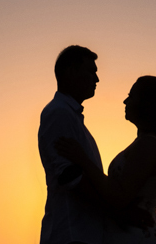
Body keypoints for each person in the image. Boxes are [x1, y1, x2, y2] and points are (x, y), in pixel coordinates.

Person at [57, 75, 156, 243]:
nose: (125, 101)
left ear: (145, 104)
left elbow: (119, 196)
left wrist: (83, 160)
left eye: (131, 96)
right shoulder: (144, 142)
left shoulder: (149, 145)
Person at [38, 45, 106, 244]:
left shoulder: (70, 116)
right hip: (71, 235)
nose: (97, 79)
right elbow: (69, 177)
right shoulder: (59, 113)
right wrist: (116, 209)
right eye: (91, 71)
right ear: (70, 72)